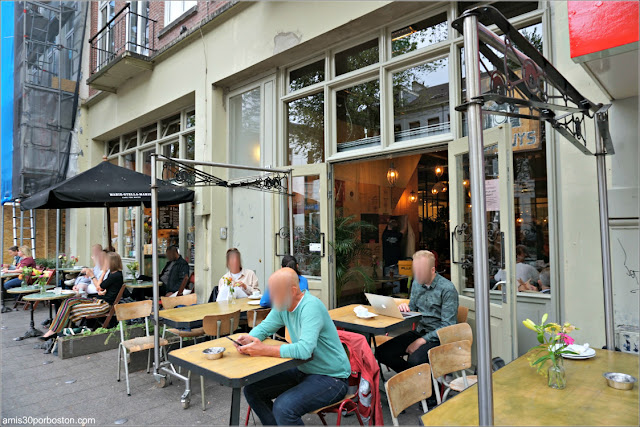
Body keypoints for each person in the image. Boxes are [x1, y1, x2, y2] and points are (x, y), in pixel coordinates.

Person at [236, 268, 350, 426]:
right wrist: (249, 338)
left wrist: (264, 349)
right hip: (304, 369)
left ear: (293, 290)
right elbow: (264, 328)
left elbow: (304, 350)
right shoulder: (283, 305)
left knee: (284, 408)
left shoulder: (310, 307)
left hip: (332, 377)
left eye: (275, 292)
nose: (271, 296)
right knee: (252, 389)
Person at [376, 250, 458, 373]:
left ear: (432, 270)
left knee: (415, 361)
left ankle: (424, 388)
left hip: (438, 338)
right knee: (381, 352)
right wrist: (405, 308)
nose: (417, 274)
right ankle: (413, 380)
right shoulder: (417, 283)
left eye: (421, 270)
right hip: (420, 331)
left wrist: (421, 341)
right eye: (416, 269)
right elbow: (413, 309)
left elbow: (448, 326)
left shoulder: (447, 289)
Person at [39, 252, 125, 340]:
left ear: (112, 262)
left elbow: (99, 287)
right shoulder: (113, 274)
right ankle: (57, 333)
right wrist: (101, 290)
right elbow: (102, 289)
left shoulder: (115, 275)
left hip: (103, 305)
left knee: (70, 309)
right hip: (98, 300)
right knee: (68, 301)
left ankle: (55, 333)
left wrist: (103, 273)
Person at [381, 218, 406, 294]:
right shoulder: (397, 235)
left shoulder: (384, 235)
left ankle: (389, 296)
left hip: (387, 262)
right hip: (396, 262)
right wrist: (406, 220)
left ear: (388, 225)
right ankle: (396, 297)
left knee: (388, 280)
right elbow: (404, 230)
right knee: (396, 280)